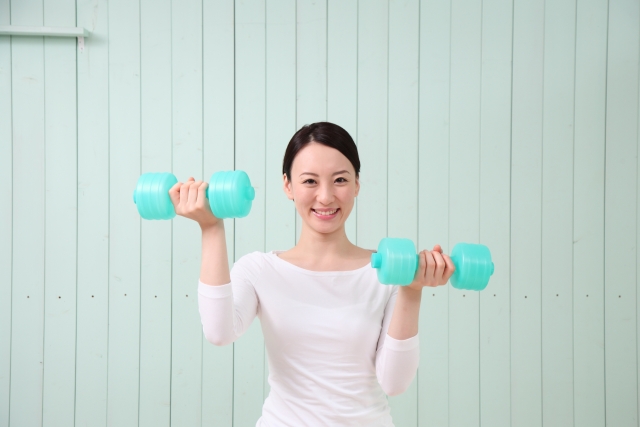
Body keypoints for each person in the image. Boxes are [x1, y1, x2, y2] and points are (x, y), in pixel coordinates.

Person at [168, 122, 455, 426]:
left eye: (340, 180)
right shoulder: (259, 270)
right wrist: (211, 227)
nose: (326, 197)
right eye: (310, 181)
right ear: (288, 186)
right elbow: (219, 332)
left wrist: (412, 290)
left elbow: (394, 384)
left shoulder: (389, 273)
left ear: (357, 184)